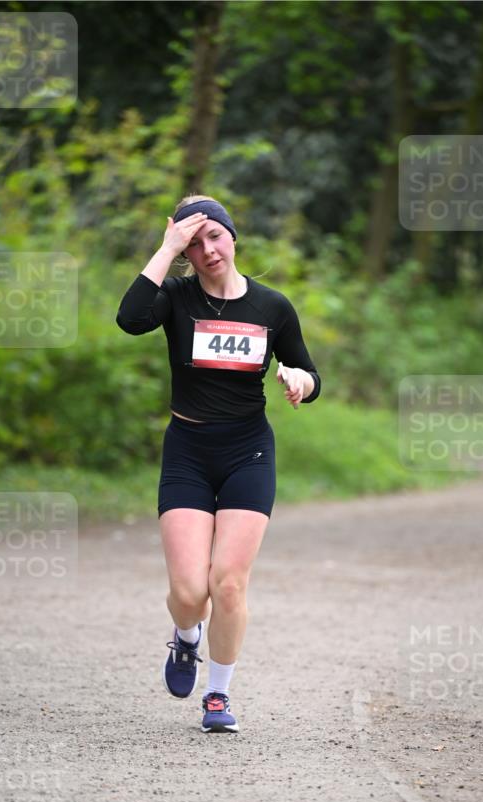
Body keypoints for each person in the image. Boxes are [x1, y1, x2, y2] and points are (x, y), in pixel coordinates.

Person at [116, 194, 321, 733]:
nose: (208, 250)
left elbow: (308, 371)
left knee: (228, 582)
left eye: (216, 236)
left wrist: (302, 381)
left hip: (248, 451)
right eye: (195, 242)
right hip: (188, 450)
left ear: (233, 236)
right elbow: (130, 318)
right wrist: (167, 247)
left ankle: (218, 695)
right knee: (189, 594)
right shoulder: (176, 298)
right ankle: (186, 640)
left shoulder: (272, 307)